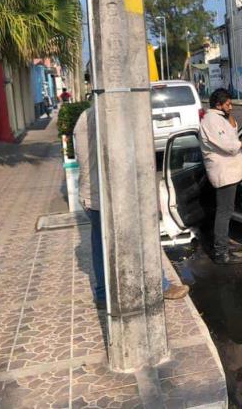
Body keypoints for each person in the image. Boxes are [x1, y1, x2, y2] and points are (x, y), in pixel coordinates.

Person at [73, 106, 188, 309]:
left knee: (102, 245)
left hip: (92, 194)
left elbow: (81, 157)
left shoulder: (85, 117)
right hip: (114, 196)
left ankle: (103, 294)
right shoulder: (117, 115)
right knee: (143, 239)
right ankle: (159, 285)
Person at [200, 89, 242, 264]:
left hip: (230, 173)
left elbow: (232, 132)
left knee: (227, 210)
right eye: (228, 104)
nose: (231, 106)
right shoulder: (211, 121)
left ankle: (223, 242)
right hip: (223, 173)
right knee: (224, 212)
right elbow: (228, 145)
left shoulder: (220, 118)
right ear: (218, 105)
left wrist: (229, 115)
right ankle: (221, 253)